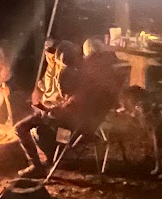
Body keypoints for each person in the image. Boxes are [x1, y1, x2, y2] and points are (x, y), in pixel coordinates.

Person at [15, 37, 123, 175]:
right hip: (86, 127)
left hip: (72, 129)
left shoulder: (87, 81)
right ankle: (55, 157)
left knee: (22, 128)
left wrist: (50, 111)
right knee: (41, 127)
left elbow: (73, 106)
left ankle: (40, 165)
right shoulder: (106, 77)